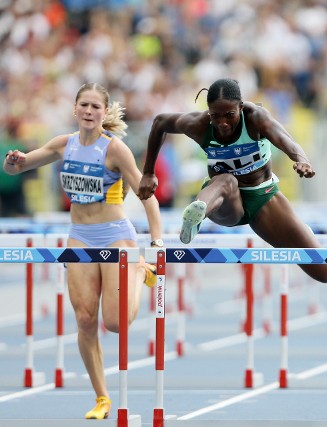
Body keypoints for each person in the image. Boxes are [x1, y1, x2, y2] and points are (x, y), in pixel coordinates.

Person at [3, 83, 163, 419]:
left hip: (115, 236)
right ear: (75, 109)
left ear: (104, 113)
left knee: (115, 323)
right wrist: (14, 161)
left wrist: (156, 243)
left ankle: (137, 271)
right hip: (79, 236)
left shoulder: (115, 149)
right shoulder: (64, 144)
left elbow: (147, 195)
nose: (89, 112)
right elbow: (18, 167)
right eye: (84, 105)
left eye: (95, 107)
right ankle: (102, 398)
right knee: (86, 319)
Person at [137, 78, 327, 284]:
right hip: (224, 201)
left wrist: (301, 160)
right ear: (208, 112)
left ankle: (202, 210)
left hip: (263, 197)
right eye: (215, 116)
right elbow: (160, 122)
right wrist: (149, 172)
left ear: (241, 107)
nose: (222, 123)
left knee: (324, 273)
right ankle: (197, 214)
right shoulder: (199, 124)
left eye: (229, 115)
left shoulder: (257, 118)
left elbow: (287, 141)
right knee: (226, 180)